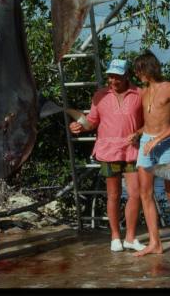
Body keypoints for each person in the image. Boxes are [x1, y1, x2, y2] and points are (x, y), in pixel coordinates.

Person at [69, 59, 146, 252]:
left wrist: (138, 133)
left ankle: (130, 237)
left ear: (126, 75)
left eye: (117, 76)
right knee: (113, 195)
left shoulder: (140, 94)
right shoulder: (99, 95)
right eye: (111, 76)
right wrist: (78, 126)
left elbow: (150, 123)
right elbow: (92, 122)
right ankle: (115, 237)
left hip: (132, 151)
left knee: (135, 194)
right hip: (108, 150)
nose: (113, 80)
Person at [132, 50, 170, 257]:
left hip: (166, 145)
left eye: (140, 70)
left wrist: (158, 139)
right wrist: (139, 134)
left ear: (148, 68)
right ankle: (155, 242)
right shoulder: (144, 91)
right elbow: (149, 121)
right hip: (146, 144)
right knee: (145, 194)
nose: (138, 75)